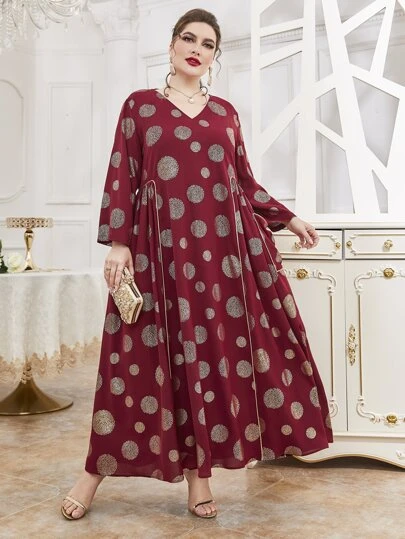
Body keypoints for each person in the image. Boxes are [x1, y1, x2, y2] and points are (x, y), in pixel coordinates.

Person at [61, 8, 333, 521]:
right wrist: (118, 243)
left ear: (214, 57)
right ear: (171, 46)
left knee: (203, 358)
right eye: (189, 39)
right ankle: (92, 473)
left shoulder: (225, 114)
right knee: (135, 361)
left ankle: (199, 478)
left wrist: (289, 217)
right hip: (157, 252)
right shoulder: (140, 107)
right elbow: (122, 173)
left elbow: (243, 183)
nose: (197, 49)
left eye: (208, 44)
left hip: (217, 261)